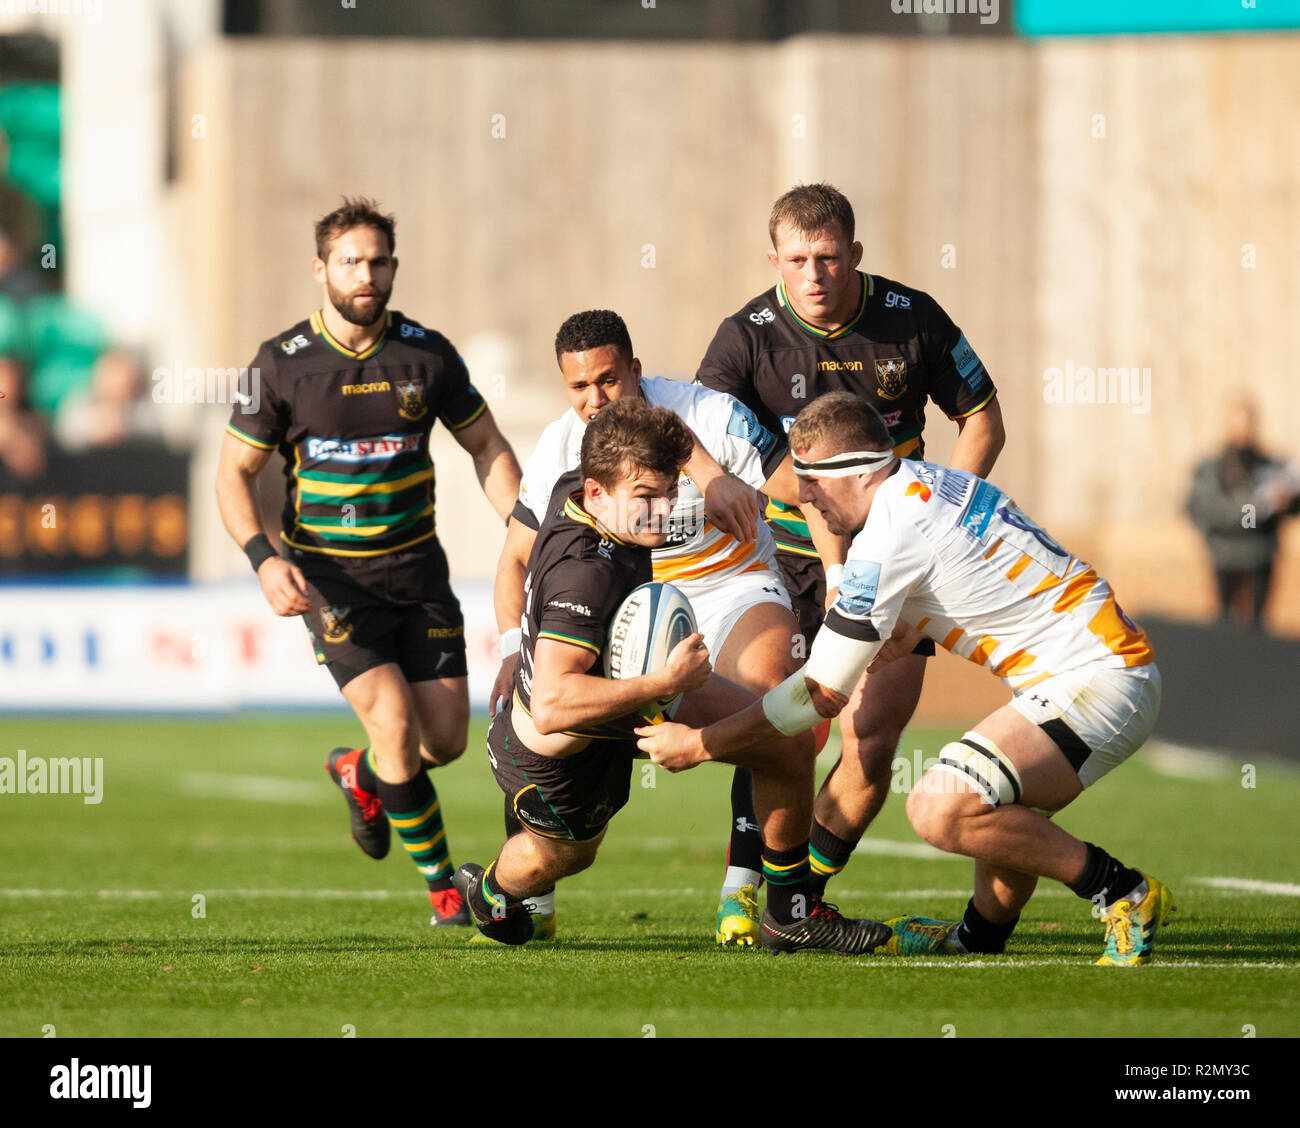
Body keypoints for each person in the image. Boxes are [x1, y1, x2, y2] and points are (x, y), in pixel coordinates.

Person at [639, 392, 1172, 966]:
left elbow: (818, 693)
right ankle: (978, 938)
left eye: (813, 481)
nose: (804, 498)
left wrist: (700, 744)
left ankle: (1123, 892)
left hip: (1097, 678)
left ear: (859, 472)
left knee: (940, 806)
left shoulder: (891, 532)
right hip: (1101, 669)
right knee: (997, 803)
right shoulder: (920, 484)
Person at [459, 396, 891, 956]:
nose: (663, 512)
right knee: (561, 857)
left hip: (618, 692)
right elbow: (553, 703)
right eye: (646, 499)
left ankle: (789, 914)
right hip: (555, 751)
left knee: (783, 741)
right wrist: (664, 683)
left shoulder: (592, 478)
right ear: (596, 493)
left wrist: (706, 474)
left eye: (669, 493)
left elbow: (652, 429)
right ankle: (490, 891)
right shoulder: (583, 577)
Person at [695, 182, 1005, 905]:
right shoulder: (745, 336)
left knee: (870, 744)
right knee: (786, 727)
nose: (814, 275)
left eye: (829, 258)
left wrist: (944, 518)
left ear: (855, 254)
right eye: (798, 259)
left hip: (899, 562)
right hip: (784, 562)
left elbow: (984, 419)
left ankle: (796, 897)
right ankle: (746, 887)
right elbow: (716, 442)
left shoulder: (911, 318)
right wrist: (832, 551)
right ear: (774, 259)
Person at [215, 197, 522, 926]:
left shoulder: (427, 353)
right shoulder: (280, 364)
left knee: (441, 740)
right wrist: (263, 559)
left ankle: (356, 773)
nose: (366, 274)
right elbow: (233, 474)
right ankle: (446, 889)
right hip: (331, 581)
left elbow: (487, 447)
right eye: (350, 261)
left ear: (393, 267)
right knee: (392, 725)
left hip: (419, 577)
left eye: (379, 261)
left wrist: (524, 529)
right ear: (320, 269)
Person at [1185, 394, 1300, 630]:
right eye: (1238, 424)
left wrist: (1286, 502)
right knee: (1225, 625)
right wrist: (1252, 507)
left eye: (1248, 424)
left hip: (1261, 556)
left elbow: (1291, 505)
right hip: (1225, 555)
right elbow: (1203, 509)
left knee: (1258, 629)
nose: (1243, 432)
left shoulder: (1270, 465)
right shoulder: (1213, 469)